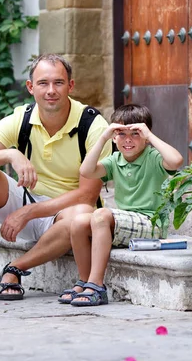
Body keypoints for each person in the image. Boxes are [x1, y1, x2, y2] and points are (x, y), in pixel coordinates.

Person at [0, 54, 111, 304]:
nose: (51, 91)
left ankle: (14, 269)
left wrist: (29, 212)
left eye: (59, 83)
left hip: (65, 215)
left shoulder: (92, 125)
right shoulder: (23, 118)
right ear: (30, 87)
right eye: (43, 83)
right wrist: (11, 154)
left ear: (70, 86)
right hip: (28, 199)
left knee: (82, 212)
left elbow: (87, 195)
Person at [58, 104, 184, 306]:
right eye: (121, 134)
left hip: (151, 223)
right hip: (124, 222)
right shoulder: (115, 160)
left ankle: (96, 285)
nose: (128, 140)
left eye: (135, 134)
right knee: (79, 221)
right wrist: (103, 138)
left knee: (99, 215)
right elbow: (87, 171)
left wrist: (150, 136)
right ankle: (84, 280)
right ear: (114, 137)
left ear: (144, 135)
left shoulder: (153, 157)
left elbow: (176, 160)